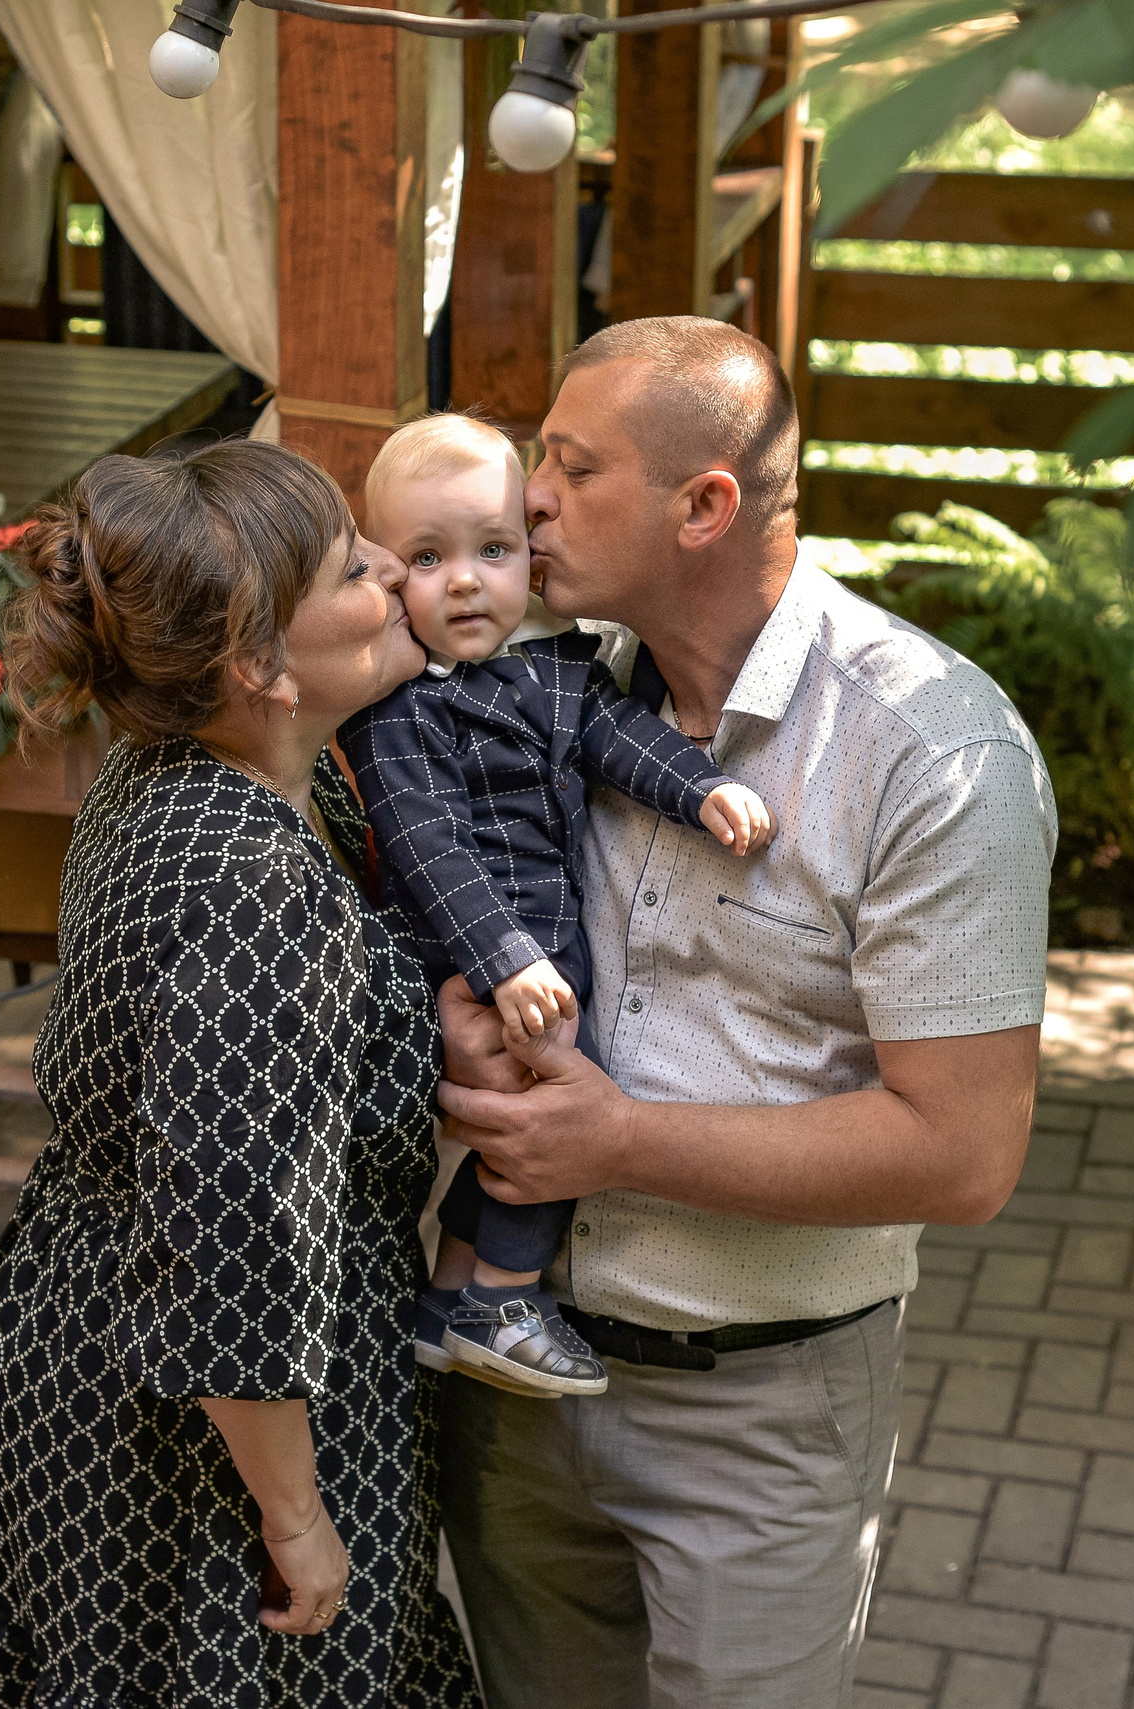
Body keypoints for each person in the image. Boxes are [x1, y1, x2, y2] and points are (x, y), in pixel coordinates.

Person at [433, 317, 1059, 1708]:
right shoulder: (545, 679)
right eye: (539, 453)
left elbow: (964, 1156)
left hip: (762, 1415)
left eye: (571, 465)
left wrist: (620, 1143)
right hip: (509, 1373)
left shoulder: (932, 752)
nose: (527, 496)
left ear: (705, 504)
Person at [0, 440, 480, 1709]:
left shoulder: (179, 767)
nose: (396, 572)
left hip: (89, 1327)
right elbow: (234, 1241)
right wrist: (295, 1517)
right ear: (259, 668)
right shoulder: (252, 890)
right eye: (353, 567)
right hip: (186, 1432)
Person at [339, 412, 773, 1401]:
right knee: (559, 1111)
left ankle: (452, 1294)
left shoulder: (555, 666)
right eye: (425, 556)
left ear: (524, 555)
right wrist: (499, 957)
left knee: (523, 1122)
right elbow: (423, 844)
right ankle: (506, 1294)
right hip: (469, 952)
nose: (463, 579)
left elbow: (619, 738)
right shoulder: (398, 706)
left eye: (491, 550)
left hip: (545, 943)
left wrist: (700, 789)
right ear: (387, 570)